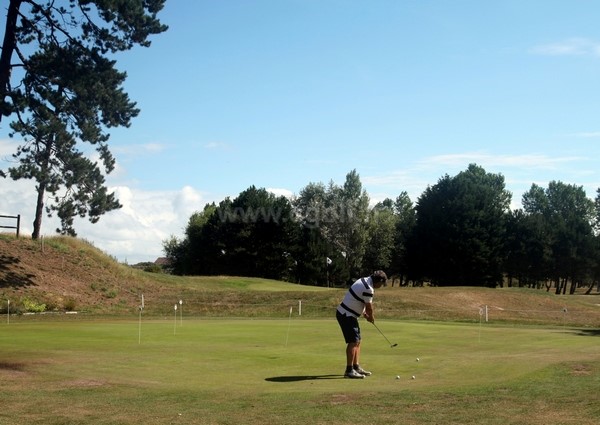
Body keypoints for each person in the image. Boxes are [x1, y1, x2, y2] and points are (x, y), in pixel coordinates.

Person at [336, 270, 388, 379]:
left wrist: (363, 312)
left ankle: (356, 366)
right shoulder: (369, 288)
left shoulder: (365, 280)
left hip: (349, 314)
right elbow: (369, 306)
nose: (381, 286)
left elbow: (359, 299)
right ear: (378, 281)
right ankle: (349, 370)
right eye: (382, 284)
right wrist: (371, 317)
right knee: (353, 342)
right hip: (346, 315)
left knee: (358, 341)